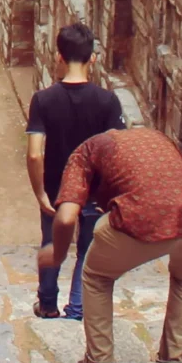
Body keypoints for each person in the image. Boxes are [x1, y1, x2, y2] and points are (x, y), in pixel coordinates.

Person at [41, 123, 182, 363]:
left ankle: (99, 359)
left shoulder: (84, 152)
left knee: (96, 277)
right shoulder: (157, 136)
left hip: (141, 217)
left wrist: (56, 254)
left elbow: (66, 217)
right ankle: (173, 360)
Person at [28, 22, 124, 320]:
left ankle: (47, 304)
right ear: (92, 57)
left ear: (59, 56)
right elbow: (116, 152)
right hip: (94, 189)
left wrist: (40, 192)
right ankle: (78, 308)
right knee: (87, 249)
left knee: (51, 242)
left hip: (56, 186)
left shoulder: (43, 100)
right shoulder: (107, 101)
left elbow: (34, 153)